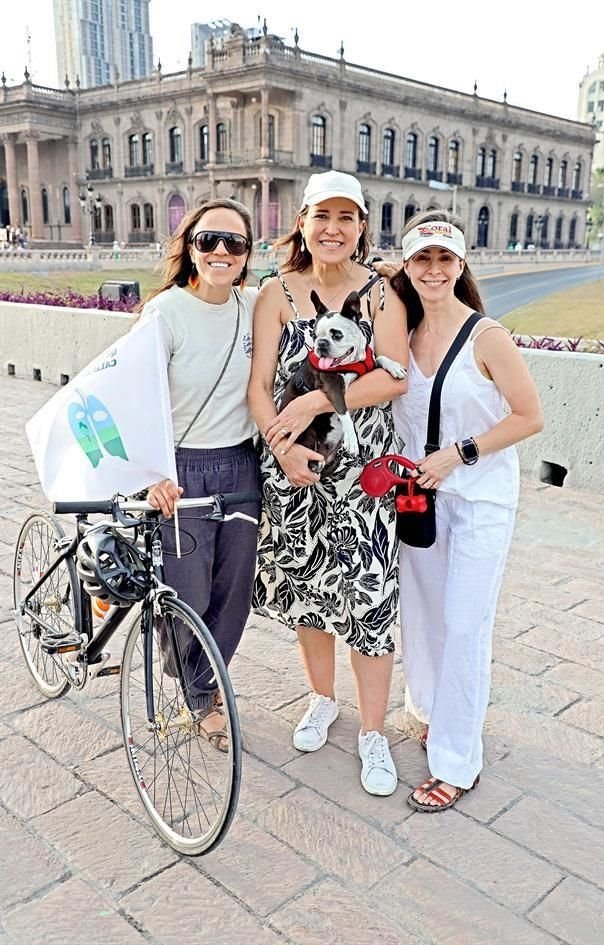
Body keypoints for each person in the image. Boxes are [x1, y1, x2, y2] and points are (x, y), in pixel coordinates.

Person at [248, 170, 409, 796]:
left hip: (363, 473)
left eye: (347, 218)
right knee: (307, 594)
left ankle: (373, 731)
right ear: (303, 223)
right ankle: (321, 699)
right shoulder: (275, 294)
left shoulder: (383, 294)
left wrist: (319, 401)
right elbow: (259, 388)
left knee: (369, 600)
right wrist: (282, 451)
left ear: (362, 226)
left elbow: (392, 378)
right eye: (322, 217)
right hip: (293, 469)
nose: (333, 229)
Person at [390, 210, 544, 811]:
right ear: (407, 265)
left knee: (463, 624)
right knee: (423, 615)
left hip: (478, 500)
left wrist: (460, 454)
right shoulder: (400, 337)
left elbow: (530, 416)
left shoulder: (488, 337)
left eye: (444, 258)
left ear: (461, 266)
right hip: (418, 500)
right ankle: (430, 709)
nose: (433, 269)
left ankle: (457, 759)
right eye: (421, 258)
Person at [138, 198, 261, 750]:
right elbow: (139, 398)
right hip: (180, 467)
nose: (220, 251)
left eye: (233, 243)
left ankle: (204, 682)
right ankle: (197, 692)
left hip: (239, 464)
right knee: (186, 592)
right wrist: (154, 473)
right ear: (190, 245)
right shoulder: (164, 312)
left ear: (246, 255)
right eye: (209, 239)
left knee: (233, 591)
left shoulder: (256, 306)